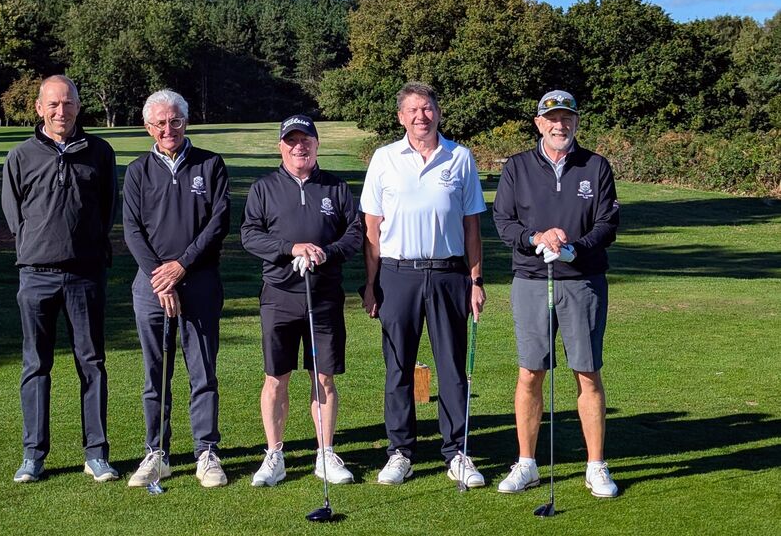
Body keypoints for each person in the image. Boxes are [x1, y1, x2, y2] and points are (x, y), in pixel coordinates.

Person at [492, 89, 620, 498]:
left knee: (586, 371)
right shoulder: (517, 167)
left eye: (566, 117)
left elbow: (607, 224)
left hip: (582, 281)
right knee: (531, 372)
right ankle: (527, 463)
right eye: (551, 118)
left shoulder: (596, 166)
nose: (559, 124)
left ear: (576, 121)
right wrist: (536, 238)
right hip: (531, 279)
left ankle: (595, 465)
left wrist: (573, 248)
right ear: (538, 123)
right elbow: (504, 222)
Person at [359, 81, 487, 487]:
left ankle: (457, 451)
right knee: (398, 367)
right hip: (398, 275)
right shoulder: (384, 159)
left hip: (450, 274)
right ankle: (400, 451)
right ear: (401, 117)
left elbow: (471, 226)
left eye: (428, 108)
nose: (421, 116)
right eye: (413, 109)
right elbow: (371, 229)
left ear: (438, 112)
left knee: (451, 368)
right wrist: (371, 283)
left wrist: (476, 279)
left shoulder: (460, 157)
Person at [1, 75, 119, 483]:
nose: (60, 111)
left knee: (92, 364)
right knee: (36, 366)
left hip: (85, 275)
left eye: (67, 104)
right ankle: (33, 455)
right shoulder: (20, 156)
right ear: (39, 108)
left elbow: (107, 209)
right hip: (36, 276)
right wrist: (37, 246)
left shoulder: (100, 153)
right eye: (53, 104)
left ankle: (96, 453)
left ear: (78, 106)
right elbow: (14, 215)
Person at [241, 115, 363, 487]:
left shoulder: (336, 188)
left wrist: (326, 252)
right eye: (291, 140)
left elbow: (355, 234)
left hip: (323, 296)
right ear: (281, 146)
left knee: (323, 377)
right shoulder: (264, 188)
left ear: (316, 144)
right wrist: (288, 248)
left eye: (305, 139)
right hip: (279, 296)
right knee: (276, 379)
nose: (299, 146)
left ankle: (324, 454)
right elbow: (249, 235)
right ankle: (274, 454)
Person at [122, 89, 231, 489]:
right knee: (156, 375)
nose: (169, 129)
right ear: (148, 127)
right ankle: (158, 453)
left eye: (176, 121)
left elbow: (218, 222)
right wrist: (160, 277)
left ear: (186, 121)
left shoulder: (211, 164)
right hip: (150, 286)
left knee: (202, 372)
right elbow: (132, 230)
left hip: (199, 280)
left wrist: (181, 266)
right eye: (160, 123)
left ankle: (206, 452)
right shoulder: (137, 171)